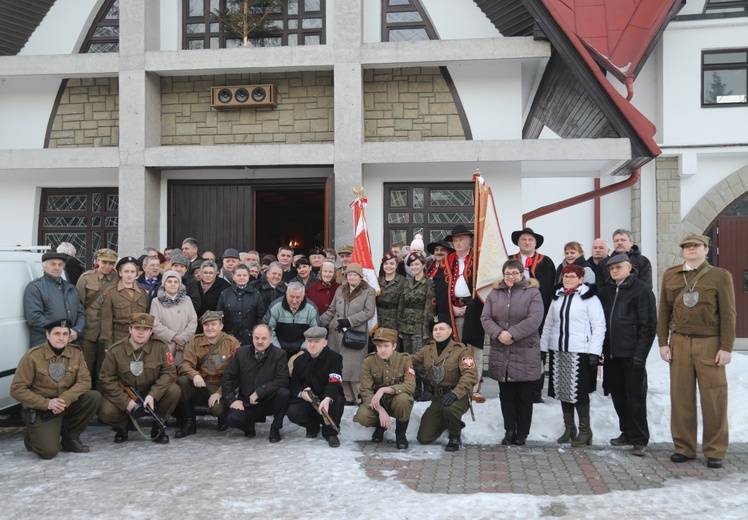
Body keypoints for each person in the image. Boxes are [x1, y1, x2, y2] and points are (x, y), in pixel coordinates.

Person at [657, 233, 736, 469]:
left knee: (714, 398)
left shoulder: (720, 276)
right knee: (681, 398)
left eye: (696, 246)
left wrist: (726, 347)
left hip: (709, 343)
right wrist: (663, 342)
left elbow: (728, 314)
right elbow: (663, 311)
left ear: (706, 249)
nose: (691, 249)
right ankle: (684, 447)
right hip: (680, 342)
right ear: (682, 251)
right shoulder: (671, 275)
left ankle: (715, 450)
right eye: (686, 246)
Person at [10, 319, 101, 459]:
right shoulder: (32, 356)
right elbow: (17, 389)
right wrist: (47, 403)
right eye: (57, 333)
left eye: (65, 334)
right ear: (47, 335)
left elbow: (85, 381)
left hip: (64, 403)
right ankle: (33, 436)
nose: (61, 337)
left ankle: (70, 438)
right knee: (48, 452)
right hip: (41, 408)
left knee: (93, 397)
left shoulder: (76, 353)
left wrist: (64, 399)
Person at [598, 253, 657, 457]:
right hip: (612, 355)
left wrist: (641, 354)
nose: (614, 271)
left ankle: (640, 439)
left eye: (619, 267)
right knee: (619, 397)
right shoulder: (606, 291)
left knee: (636, 397)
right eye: (611, 268)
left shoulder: (641, 290)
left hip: (632, 355)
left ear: (629, 267)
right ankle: (627, 432)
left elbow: (648, 325)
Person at [480, 259, 544, 446]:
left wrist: (512, 334)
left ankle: (522, 432)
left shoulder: (532, 293)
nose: (511, 277)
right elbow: (485, 317)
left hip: (524, 349)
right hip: (501, 350)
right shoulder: (495, 293)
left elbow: (534, 319)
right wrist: (499, 333)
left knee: (524, 396)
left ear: (522, 274)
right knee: (506, 395)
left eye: (515, 273)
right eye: (508, 273)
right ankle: (509, 430)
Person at [541, 264, 605, 447]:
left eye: (572, 276)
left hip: (581, 351)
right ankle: (569, 428)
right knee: (563, 391)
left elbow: (599, 326)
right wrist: (543, 348)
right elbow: (549, 324)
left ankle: (586, 431)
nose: (567, 279)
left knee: (579, 392)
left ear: (580, 278)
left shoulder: (589, 298)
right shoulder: (558, 296)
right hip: (559, 350)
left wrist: (594, 352)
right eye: (565, 276)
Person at [98, 313, 180, 444]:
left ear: (151, 331)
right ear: (130, 329)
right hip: (126, 394)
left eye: (146, 329)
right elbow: (106, 379)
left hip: (150, 392)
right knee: (105, 410)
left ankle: (158, 426)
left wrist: (153, 395)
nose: (141, 333)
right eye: (137, 329)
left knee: (174, 390)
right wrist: (126, 403)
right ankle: (123, 426)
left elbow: (169, 372)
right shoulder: (116, 350)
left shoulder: (160, 346)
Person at [433, 224, 485, 402]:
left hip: (474, 310)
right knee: (454, 352)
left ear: (469, 240)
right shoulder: (447, 260)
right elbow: (440, 287)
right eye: (455, 240)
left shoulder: (478, 259)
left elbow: (484, 285)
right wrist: (451, 309)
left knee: (473, 351)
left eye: (462, 239)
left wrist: (471, 307)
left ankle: (474, 388)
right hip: (452, 312)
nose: (459, 243)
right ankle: (456, 387)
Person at [411, 315, 478, 451]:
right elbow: (412, 360)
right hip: (437, 398)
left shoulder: (461, 350)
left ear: (450, 331)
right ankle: (448, 421)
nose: (438, 332)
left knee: (450, 407)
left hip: (458, 396)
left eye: (442, 329)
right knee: (424, 438)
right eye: (435, 329)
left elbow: (471, 375)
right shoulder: (428, 349)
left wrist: (455, 394)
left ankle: (455, 435)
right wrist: (392, 357)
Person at [509, 227, 556, 404]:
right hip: (513, 313)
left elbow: (550, 288)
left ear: (535, 243)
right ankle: (515, 388)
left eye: (530, 240)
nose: (527, 242)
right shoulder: (509, 261)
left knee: (537, 353)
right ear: (518, 242)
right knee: (514, 351)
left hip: (538, 314)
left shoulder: (546, 262)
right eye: (524, 239)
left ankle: (536, 391)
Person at [175, 311, 239, 438]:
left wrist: (220, 393)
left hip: (222, 385)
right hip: (202, 384)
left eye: (213, 324)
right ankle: (189, 422)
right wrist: (195, 375)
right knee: (182, 380)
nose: (209, 328)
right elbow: (184, 365)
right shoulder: (196, 340)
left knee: (217, 410)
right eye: (206, 325)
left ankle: (223, 416)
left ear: (221, 326)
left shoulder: (231, 342)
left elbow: (237, 373)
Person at [222, 324, 290, 442]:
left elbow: (282, 380)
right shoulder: (241, 353)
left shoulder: (280, 354)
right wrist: (231, 400)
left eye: (264, 338)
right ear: (252, 338)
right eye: (256, 338)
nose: (259, 341)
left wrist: (259, 392)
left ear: (271, 339)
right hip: (248, 402)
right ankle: (248, 427)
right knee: (232, 419)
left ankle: (275, 428)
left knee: (284, 393)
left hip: (270, 400)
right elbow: (228, 376)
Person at [320, 263, 376, 405]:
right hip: (336, 333)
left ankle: (360, 397)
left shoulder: (368, 291)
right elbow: (332, 309)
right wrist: (318, 322)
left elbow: (369, 312)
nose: (351, 277)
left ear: (360, 276)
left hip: (355, 333)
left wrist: (349, 321)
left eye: (354, 274)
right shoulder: (340, 289)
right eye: (349, 274)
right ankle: (347, 397)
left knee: (355, 367)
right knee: (341, 366)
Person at [353, 328, 415, 449]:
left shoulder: (404, 359)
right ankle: (380, 427)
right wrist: (380, 409)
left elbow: (410, 386)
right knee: (363, 417)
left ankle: (400, 434)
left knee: (403, 400)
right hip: (377, 401)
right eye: (379, 346)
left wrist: (384, 390)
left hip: (395, 399)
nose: (382, 350)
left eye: (386, 346)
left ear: (394, 346)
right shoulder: (369, 360)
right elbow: (365, 389)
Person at [286, 326, 345, 447]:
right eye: (309, 341)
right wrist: (302, 393)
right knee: (292, 411)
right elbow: (294, 385)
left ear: (325, 343)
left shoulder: (335, 358)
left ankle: (331, 433)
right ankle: (312, 426)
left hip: (328, 397)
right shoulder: (299, 361)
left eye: (316, 341)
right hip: (309, 400)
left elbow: (335, 381)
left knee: (338, 399)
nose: (312, 345)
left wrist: (327, 399)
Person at [23, 251, 86, 347]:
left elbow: (81, 314)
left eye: (60, 264)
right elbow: (34, 317)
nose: (57, 267)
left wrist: (76, 330)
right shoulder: (35, 287)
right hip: (46, 345)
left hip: (71, 344)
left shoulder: (71, 288)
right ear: (44, 266)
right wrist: (62, 332)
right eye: (52, 264)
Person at [76, 247, 120, 384]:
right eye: (104, 262)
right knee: (86, 367)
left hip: (108, 331)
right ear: (97, 261)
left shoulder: (118, 279)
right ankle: (86, 397)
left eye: (111, 263)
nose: (107, 266)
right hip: (89, 330)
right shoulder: (86, 278)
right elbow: (78, 306)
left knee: (105, 368)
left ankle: (103, 399)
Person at [397, 251, 435, 401]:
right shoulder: (407, 283)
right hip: (406, 327)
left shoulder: (429, 283)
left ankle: (428, 389)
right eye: (411, 265)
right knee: (409, 360)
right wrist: (400, 326)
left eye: (417, 264)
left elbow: (429, 308)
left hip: (420, 327)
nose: (414, 267)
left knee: (421, 360)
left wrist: (427, 329)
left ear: (423, 265)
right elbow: (401, 305)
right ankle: (416, 387)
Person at [150, 270, 198, 367]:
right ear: (164, 284)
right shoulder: (156, 301)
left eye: (176, 282)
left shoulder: (187, 300)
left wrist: (183, 338)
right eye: (169, 281)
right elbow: (155, 324)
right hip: (166, 345)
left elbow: (193, 321)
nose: (173, 284)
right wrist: (174, 337)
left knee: (183, 373)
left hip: (184, 345)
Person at [100, 256, 148, 350]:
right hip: (119, 336)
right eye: (126, 272)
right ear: (120, 273)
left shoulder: (142, 293)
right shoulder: (111, 293)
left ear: (136, 273)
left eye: (132, 272)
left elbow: (146, 316)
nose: (129, 275)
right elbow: (106, 320)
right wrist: (108, 345)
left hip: (139, 336)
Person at [266, 281, 320, 358]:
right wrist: (277, 350)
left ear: (303, 296)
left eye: (298, 297)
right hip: (278, 347)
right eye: (291, 296)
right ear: (286, 294)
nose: (294, 301)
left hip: (303, 349)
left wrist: (304, 350)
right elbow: (268, 330)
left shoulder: (311, 308)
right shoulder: (275, 307)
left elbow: (315, 332)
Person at [217, 264, 265, 346]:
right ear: (233, 276)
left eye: (244, 275)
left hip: (250, 339)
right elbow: (219, 317)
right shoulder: (225, 294)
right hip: (229, 338)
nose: (242, 277)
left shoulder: (256, 293)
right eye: (239, 275)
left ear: (249, 276)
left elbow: (260, 317)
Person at [196, 260, 230, 330]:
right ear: (201, 274)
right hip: (197, 325)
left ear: (215, 274)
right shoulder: (195, 286)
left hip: (216, 326)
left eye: (211, 273)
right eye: (205, 272)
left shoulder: (224, 286)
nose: (208, 275)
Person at [377, 251, 406, 333]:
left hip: (395, 323)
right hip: (379, 322)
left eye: (392, 264)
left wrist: (401, 325)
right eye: (386, 263)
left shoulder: (403, 282)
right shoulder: (377, 281)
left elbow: (404, 305)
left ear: (396, 265)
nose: (388, 266)